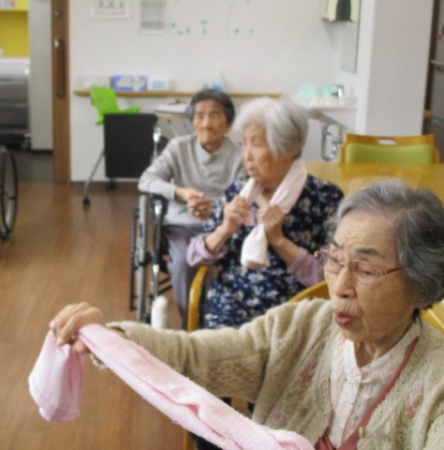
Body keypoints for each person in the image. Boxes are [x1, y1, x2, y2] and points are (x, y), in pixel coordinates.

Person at [49, 180, 444, 449]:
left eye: (365, 269)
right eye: (335, 259)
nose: (339, 286)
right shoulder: (300, 326)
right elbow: (197, 356)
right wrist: (112, 338)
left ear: (420, 286)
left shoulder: (436, 383)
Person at [187, 97, 344, 329]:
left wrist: (279, 241)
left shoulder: (325, 198)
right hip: (229, 310)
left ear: (288, 149)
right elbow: (194, 257)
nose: (247, 155)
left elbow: (332, 277)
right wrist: (225, 229)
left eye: (257, 144)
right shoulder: (239, 191)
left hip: (292, 315)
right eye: (244, 144)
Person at [138, 89, 245, 325]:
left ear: (228, 122)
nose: (206, 124)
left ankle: (223, 325)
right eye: (199, 116)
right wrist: (182, 193)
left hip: (226, 226)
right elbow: (146, 180)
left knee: (241, 262)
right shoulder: (179, 148)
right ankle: (192, 326)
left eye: (214, 115)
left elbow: (244, 196)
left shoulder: (239, 155)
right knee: (185, 263)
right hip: (182, 226)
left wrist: (215, 208)